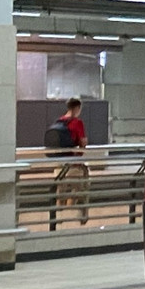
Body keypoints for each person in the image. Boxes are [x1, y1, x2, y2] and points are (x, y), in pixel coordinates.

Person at [45, 97, 90, 229]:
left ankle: (57, 218)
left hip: (59, 166)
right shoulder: (77, 123)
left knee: (60, 192)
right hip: (73, 165)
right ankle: (82, 217)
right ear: (77, 108)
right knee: (84, 187)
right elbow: (82, 143)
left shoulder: (59, 121)